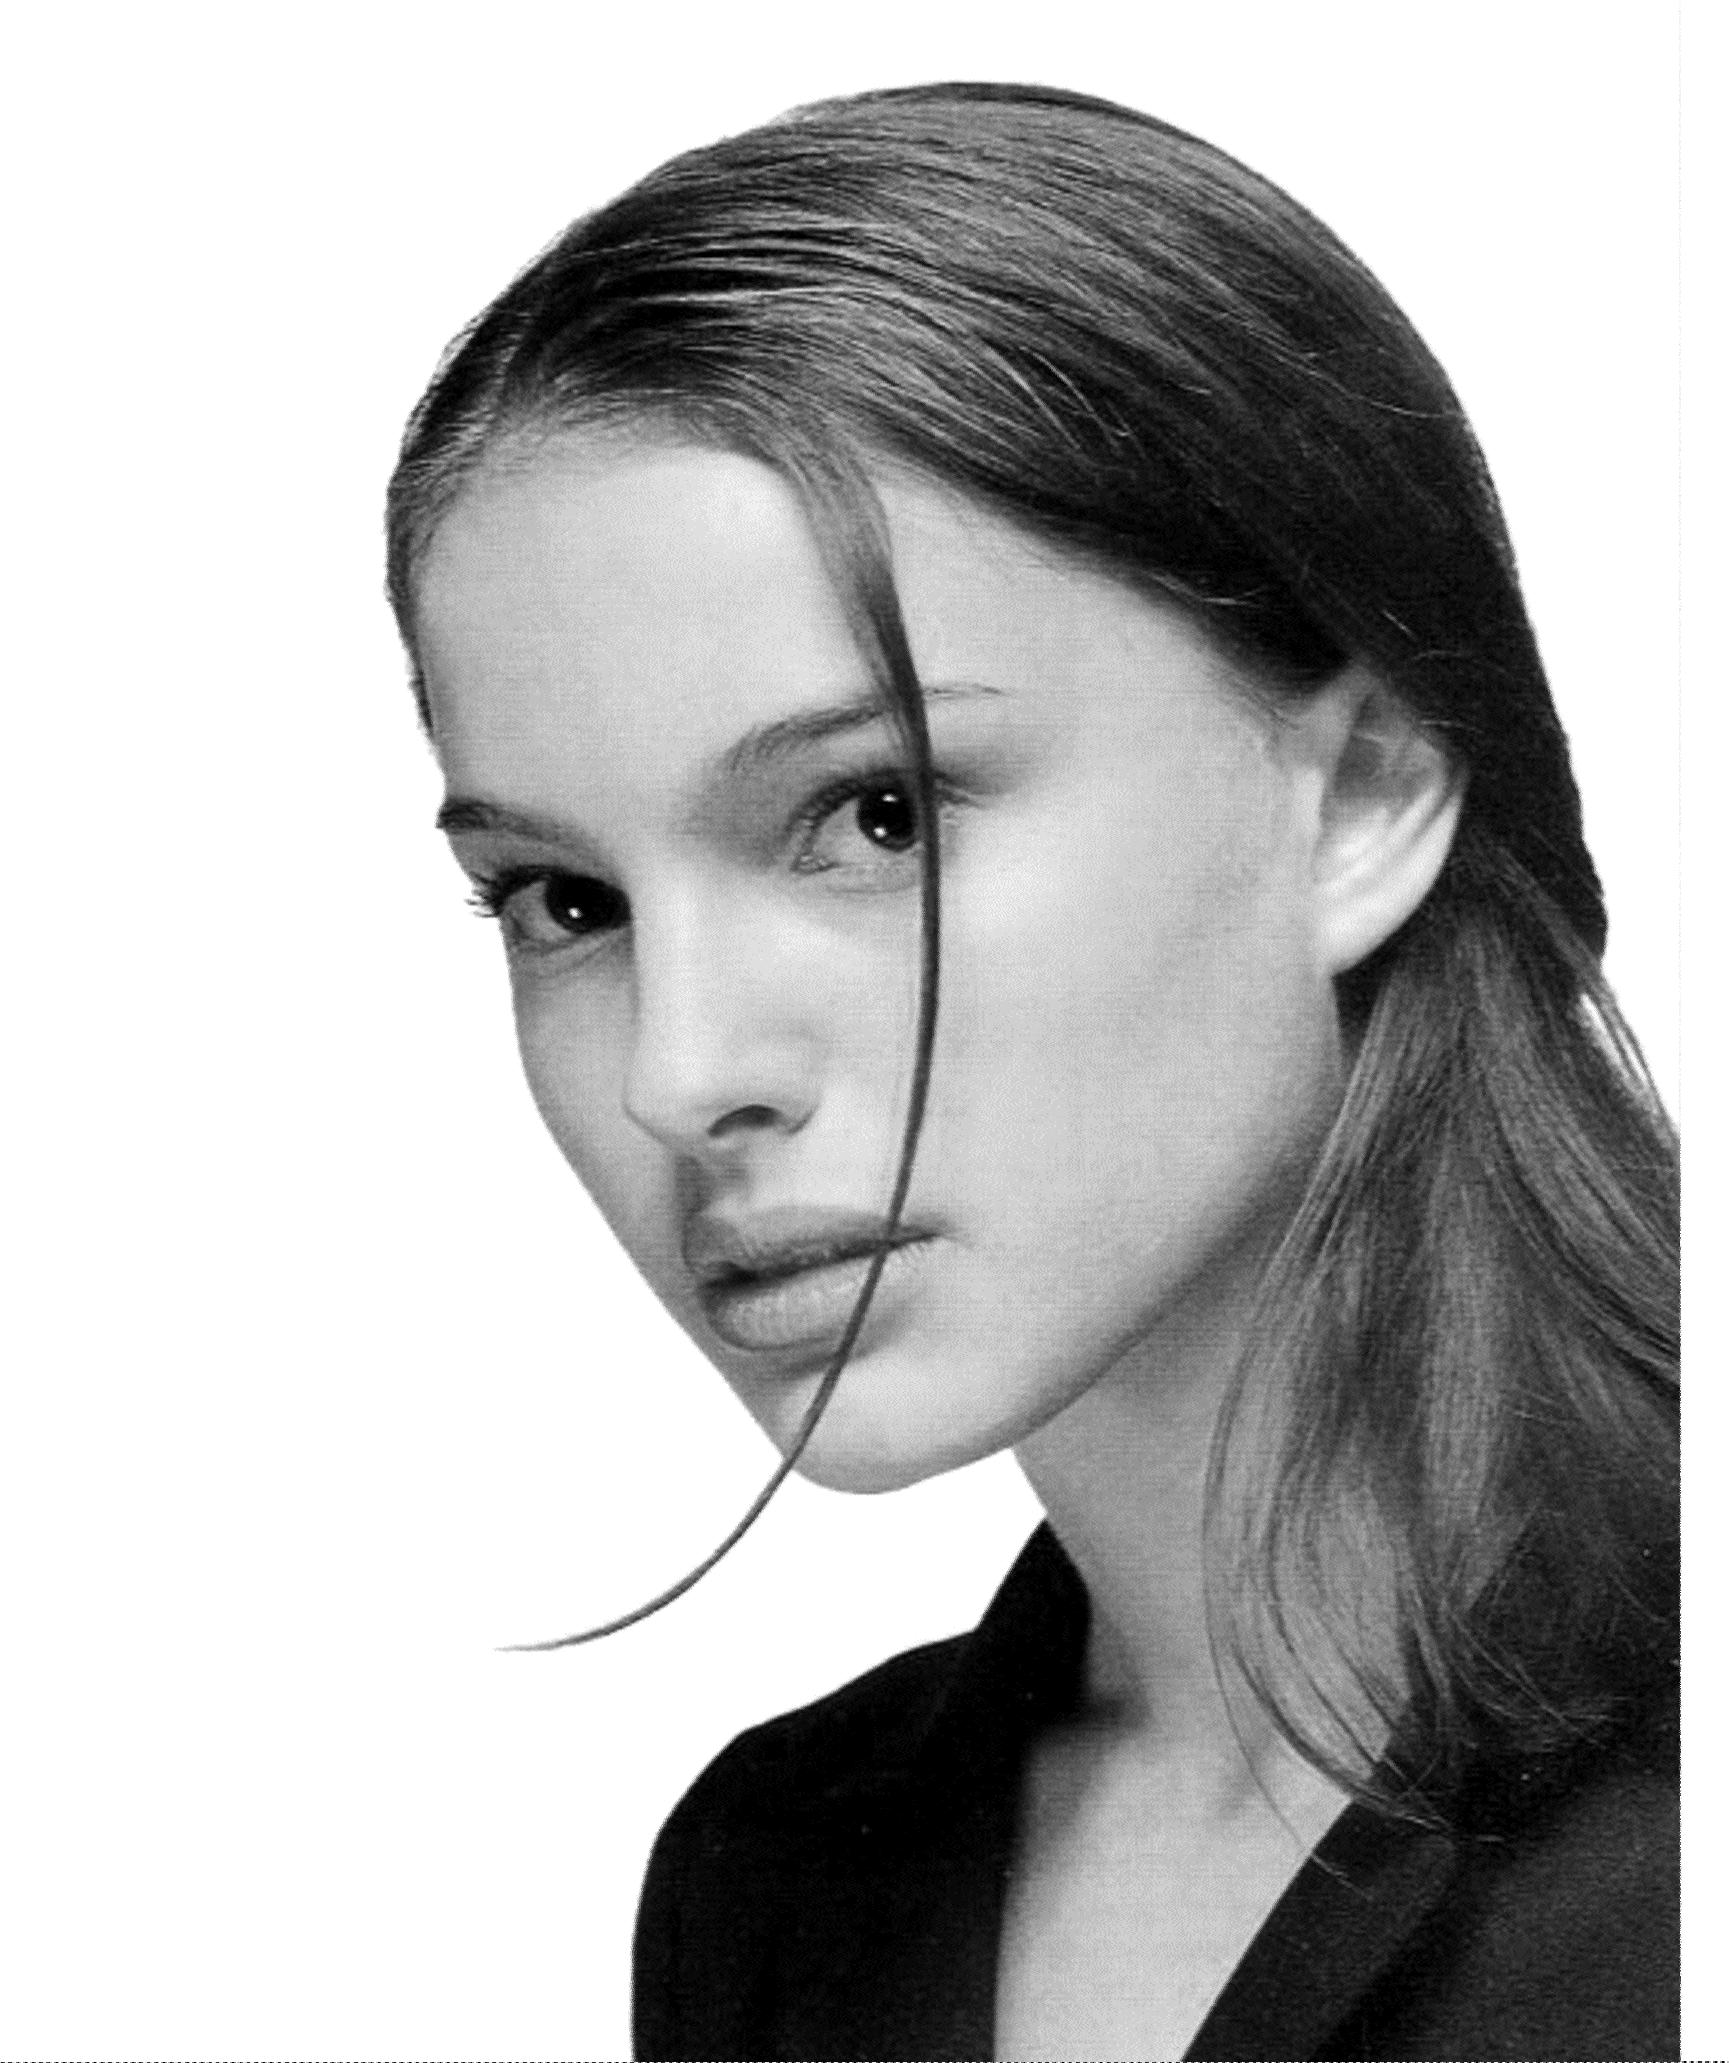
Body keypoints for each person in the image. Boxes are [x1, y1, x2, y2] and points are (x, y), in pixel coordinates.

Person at [385, 83, 1679, 2062]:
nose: (679, 1071)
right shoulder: (783, 1880)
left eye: (876, 815)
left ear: (1362, 794)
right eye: (566, 901)